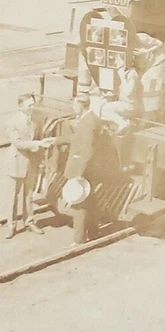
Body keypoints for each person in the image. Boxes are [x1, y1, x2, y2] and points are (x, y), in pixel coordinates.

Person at [5, 93, 55, 239]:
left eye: (33, 104)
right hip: (16, 162)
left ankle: (29, 221)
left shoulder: (35, 120)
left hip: (31, 162)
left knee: (29, 194)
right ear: (20, 106)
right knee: (13, 196)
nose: (32, 108)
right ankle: (11, 225)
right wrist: (38, 144)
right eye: (29, 105)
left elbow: (37, 137)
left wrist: (42, 148)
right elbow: (18, 143)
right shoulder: (12, 122)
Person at [64, 94, 102, 245]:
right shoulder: (88, 119)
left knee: (79, 204)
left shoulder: (88, 123)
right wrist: (55, 140)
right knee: (90, 201)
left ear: (80, 105)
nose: (73, 107)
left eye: (74, 105)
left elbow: (87, 150)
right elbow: (77, 141)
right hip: (87, 168)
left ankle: (78, 240)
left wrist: (79, 173)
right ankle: (93, 231)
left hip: (83, 170)